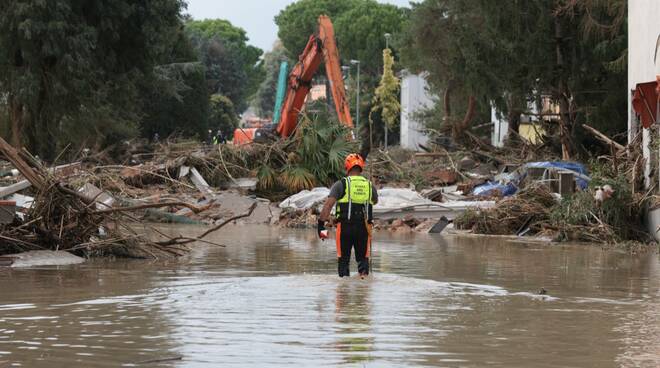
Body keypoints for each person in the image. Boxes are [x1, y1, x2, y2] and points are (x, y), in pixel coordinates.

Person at [318, 153, 378, 278]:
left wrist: (321, 225)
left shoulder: (341, 184)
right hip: (364, 229)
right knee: (363, 260)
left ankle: (342, 293)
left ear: (347, 167)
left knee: (343, 260)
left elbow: (328, 205)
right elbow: (375, 201)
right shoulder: (369, 185)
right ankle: (363, 290)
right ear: (361, 167)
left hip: (345, 228)